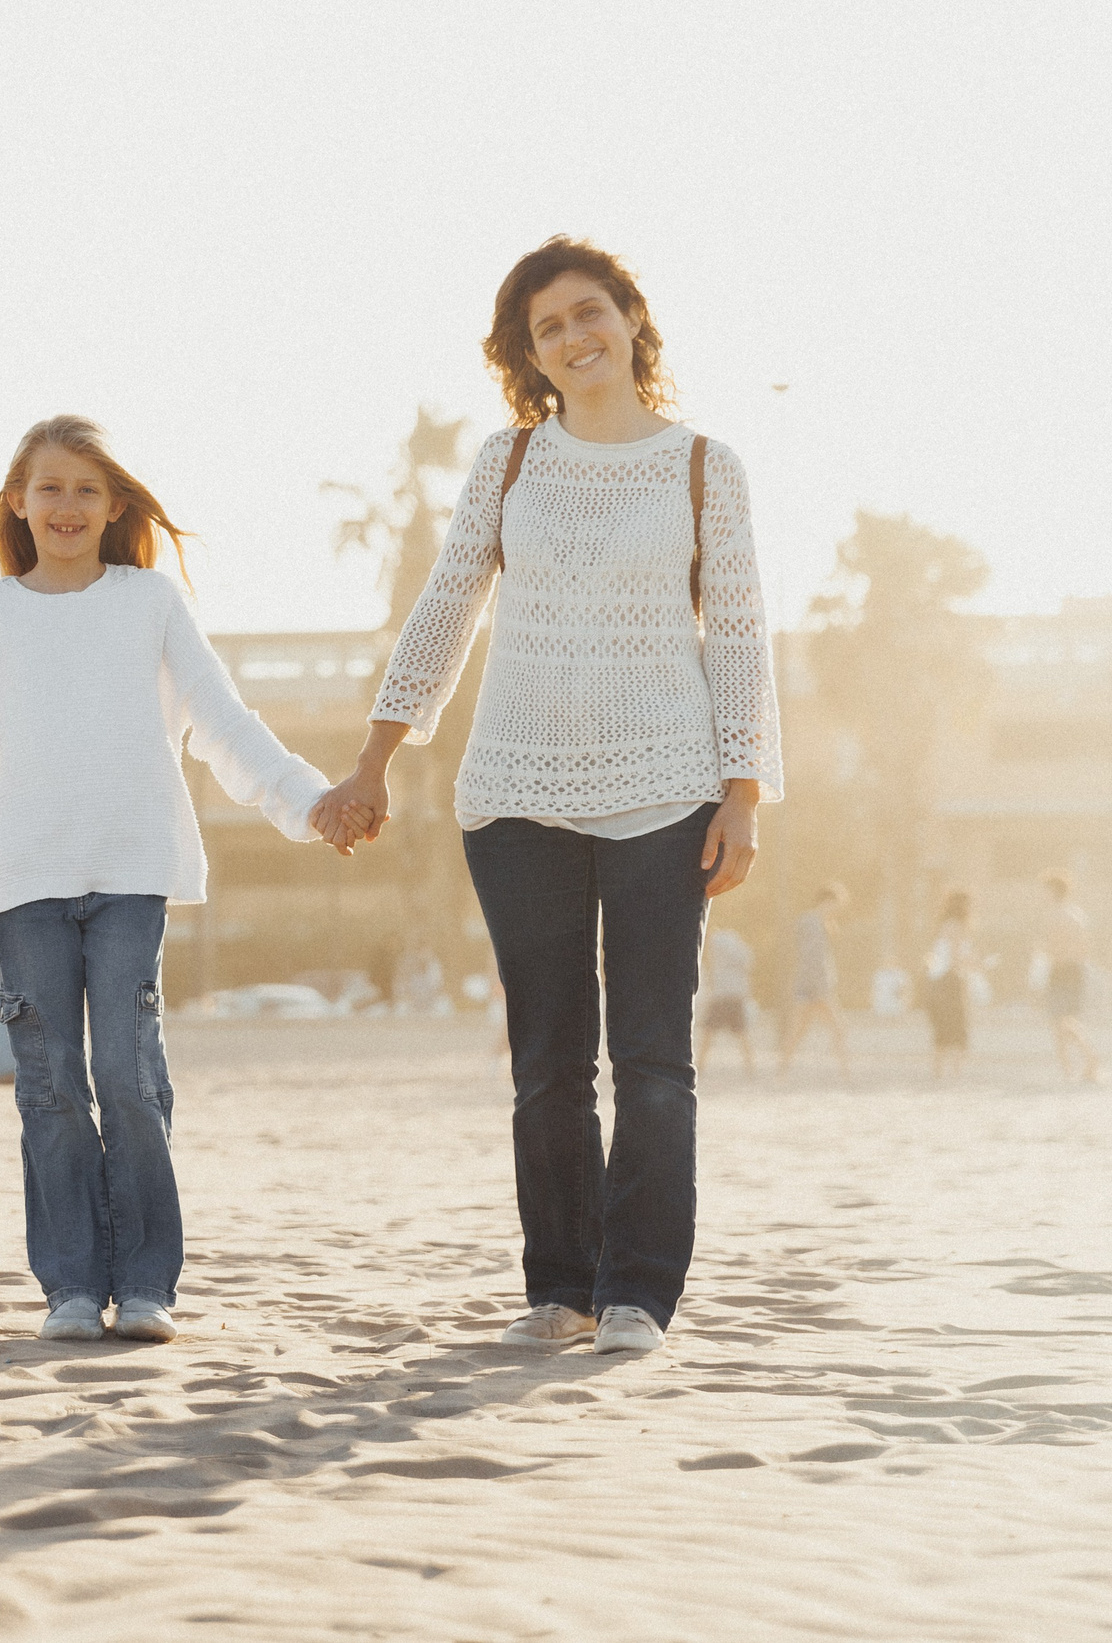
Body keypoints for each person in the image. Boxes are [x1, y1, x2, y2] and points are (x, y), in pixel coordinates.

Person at [313, 237, 784, 1358]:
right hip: (517, 792)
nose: (574, 338)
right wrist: (375, 757)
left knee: (654, 1059)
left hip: (666, 793)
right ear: (529, 357)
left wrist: (743, 793)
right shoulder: (510, 461)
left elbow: (743, 632)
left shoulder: (704, 466)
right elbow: (444, 607)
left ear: (629, 317)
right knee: (547, 1063)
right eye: (548, 330)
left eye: (588, 313)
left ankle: (636, 1293)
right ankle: (559, 1285)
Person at [0, 415, 340, 1346]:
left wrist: (308, 802)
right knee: (51, 1081)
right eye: (48, 487)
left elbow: (224, 720)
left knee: (128, 1072)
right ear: (16, 504)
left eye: (85, 488)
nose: (66, 505)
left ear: (113, 505)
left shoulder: (149, 602)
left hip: (130, 870)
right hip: (28, 881)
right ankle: (71, 1286)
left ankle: (146, 1284)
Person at [777, 883, 851, 1078]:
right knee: (835, 1027)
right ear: (828, 901)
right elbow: (812, 958)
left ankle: (782, 1071)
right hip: (815, 985)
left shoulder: (816, 922)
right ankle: (845, 1072)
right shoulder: (812, 922)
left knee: (800, 1030)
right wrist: (820, 987)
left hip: (810, 984)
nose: (838, 909)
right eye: (837, 904)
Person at [1039, 872, 1099, 1082]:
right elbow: (1084, 947)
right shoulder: (1076, 914)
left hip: (1061, 969)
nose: (1042, 895)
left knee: (1059, 1021)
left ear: (1053, 891)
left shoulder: (1055, 915)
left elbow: (1053, 948)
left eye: (1045, 890)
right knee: (1066, 1019)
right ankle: (1077, 1066)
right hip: (1075, 969)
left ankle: (1081, 1063)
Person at [924, 891, 976, 1080]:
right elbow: (955, 959)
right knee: (958, 1028)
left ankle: (938, 1073)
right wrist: (974, 963)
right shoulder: (956, 927)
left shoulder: (944, 926)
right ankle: (956, 1074)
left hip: (938, 981)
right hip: (950, 981)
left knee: (943, 1029)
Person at [701, 926, 757, 1079]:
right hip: (737, 992)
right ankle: (751, 1066)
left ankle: (700, 1065)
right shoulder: (735, 939)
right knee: (740, 1030)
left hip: (722, 992)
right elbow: (748, 960)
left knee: (709, 1029)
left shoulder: (715, 940)